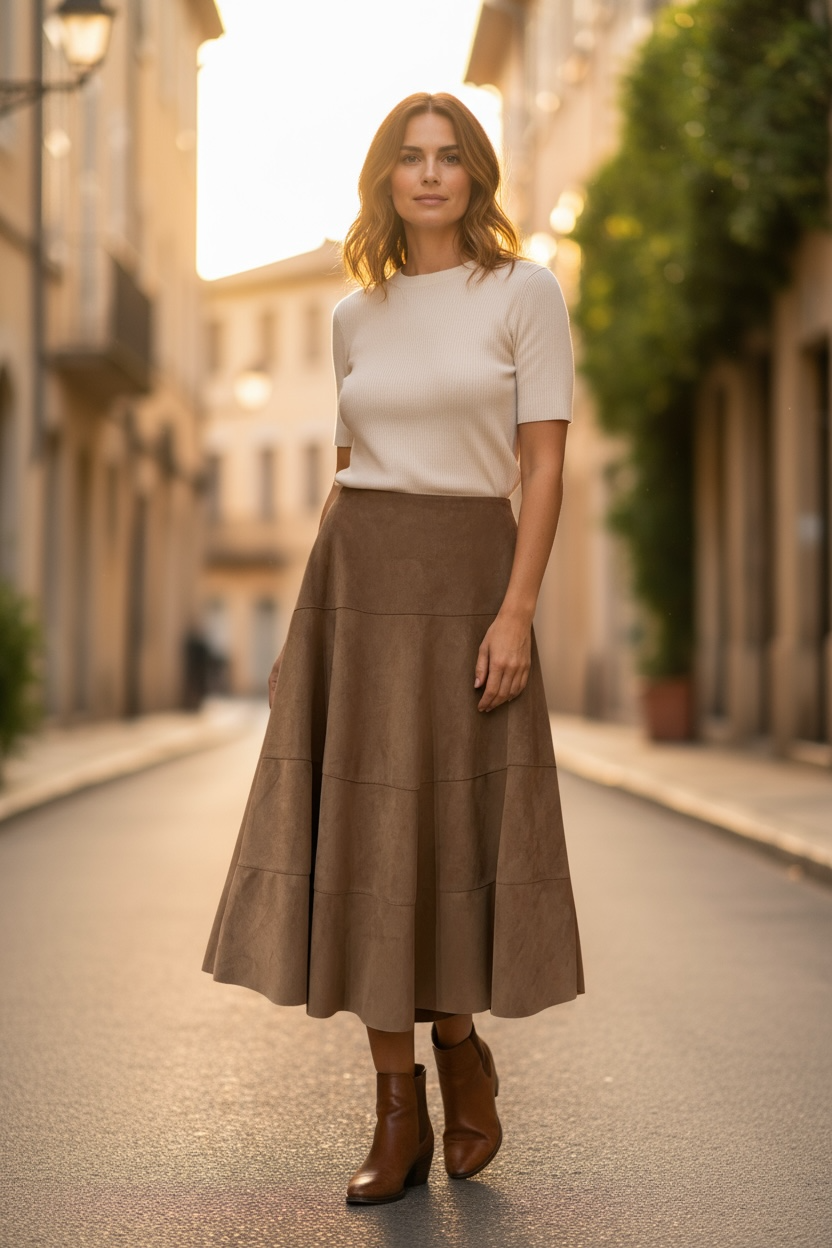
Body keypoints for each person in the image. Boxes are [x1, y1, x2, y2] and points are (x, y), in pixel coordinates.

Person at [202, 91, 584, 1206]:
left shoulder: (525, 293)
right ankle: (395, 1111)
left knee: (449, 837)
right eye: (410, 158)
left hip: (471, 573)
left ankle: (459, 1049)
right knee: (368, 845)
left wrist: (514, 611)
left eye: (449, 156)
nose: (429, 175)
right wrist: (300, 633)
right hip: (358, 582)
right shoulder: (351, 317)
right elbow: (342, 475)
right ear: (386, 177)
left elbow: (544, 467)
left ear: (475, 175)